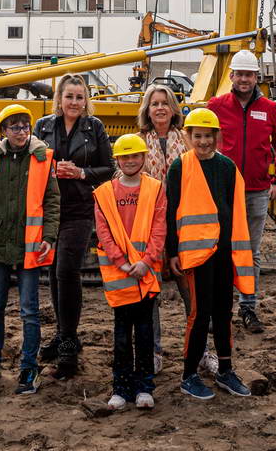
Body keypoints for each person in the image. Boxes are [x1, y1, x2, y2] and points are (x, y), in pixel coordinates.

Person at [0, 104, 60, 395]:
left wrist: (49, 235)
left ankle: (28, 367)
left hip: (30, 247)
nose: (21, 132)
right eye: (14, 127)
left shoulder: (43, 159)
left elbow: (52, 202)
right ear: (3, 131)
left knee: (29, 311)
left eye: (25, 126)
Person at [166, 108, 255, 400]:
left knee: (223, 313)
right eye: (198, 136)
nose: (203, 142)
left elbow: (234, 213)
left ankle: (226, 370)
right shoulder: (179, 167)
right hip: (196, 255)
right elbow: (170, 213)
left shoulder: (227, 168)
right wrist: (172, 252)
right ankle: (189, 374)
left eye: (208, 136)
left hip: (224, 253)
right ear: (188, 137)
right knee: (199, 314)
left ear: (217, 137)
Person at [34, 73, 115, 379]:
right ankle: (62, 332)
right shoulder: (43, 127)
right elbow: (32, 162)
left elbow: (108, 168)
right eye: (69, 96)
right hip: (50, 210)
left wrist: (80, 173)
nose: (74, 102)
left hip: (81, 208)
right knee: (54, 273)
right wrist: (50, 169)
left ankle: (69, 338)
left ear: (86, 101)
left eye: (80, 97)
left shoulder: (94, 128)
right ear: (60, 98)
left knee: (67, 270)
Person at [137, 84, 220, 375]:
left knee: (192, 293)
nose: (159, 108)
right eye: (154, 103)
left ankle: (200, 351)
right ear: (147, 110)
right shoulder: (137, 141)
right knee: (150, 294)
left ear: (174, 109)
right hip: (148, 226)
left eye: (165, 103)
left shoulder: (186, 142)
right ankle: (153, 351)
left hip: (184, 225)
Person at [207, 49, 276, 333]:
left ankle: (248, 307)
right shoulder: (216, 106)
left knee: (250, 253)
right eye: (240, 74)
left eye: (249, 75)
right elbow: (200, 143)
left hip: (256, 192)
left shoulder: (267, 108)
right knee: (218, 252)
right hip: (222, 193)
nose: (244, 79)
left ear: (257, 77)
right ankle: (217, 309)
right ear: (231, 76)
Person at [94, 134, 166, 410]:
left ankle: (144, 387)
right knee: (122, 333)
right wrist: (122, 263)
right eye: (125, 157)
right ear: (117, 160)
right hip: (120, 274)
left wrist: (146, 261)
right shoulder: (104, 193)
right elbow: (104, 233)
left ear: (144, 157)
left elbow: (159, 229)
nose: (131, 161)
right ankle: (121, 388)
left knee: (145, 332)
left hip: (145, 273)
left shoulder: (155, 188)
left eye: (135, 156)